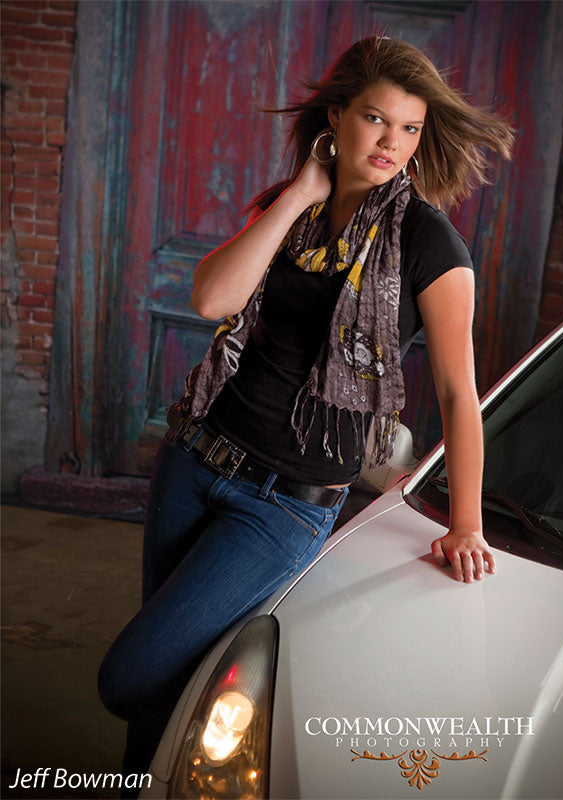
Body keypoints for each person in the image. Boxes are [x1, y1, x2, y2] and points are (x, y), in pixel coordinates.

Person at [98, 35, 513, 788]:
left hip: (283, 506)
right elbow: (211, 299)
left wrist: (467, 524)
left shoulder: (430, 245)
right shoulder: (288, 207)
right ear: (336, 118)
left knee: (132, 677)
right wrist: (297, 195)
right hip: (195, 460)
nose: (392, 143)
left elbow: (459, 393)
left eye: (410, 128)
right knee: (160, 694)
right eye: (376, 119)